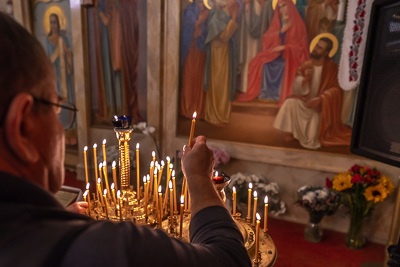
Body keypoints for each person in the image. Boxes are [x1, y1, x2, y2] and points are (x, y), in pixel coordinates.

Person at [0, 12, 251, 266]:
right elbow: (230, 259)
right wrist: (198, 178)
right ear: (22, 127)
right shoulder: (103, 251)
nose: (62, 127)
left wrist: (52, 224)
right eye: (57, 109)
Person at [273, 37, 351, 149]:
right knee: (289, 102)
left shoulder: (333, 68)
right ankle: (293, 132)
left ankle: (304, 135)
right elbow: (296, 89)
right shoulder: (306, 65)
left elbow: (337, 90)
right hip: (306, 101)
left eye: (320, 48)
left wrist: (320, 99)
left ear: (326, 52)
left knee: (311, 138)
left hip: (321, 107)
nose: (315, 49)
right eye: (316, 46)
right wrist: (305, 80)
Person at [236, 0, 308, 105]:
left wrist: (285, 47)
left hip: (290, 56)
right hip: (276, 54)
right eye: (280, 7)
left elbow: (302, 45)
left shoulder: (297, 22)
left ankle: (279, 95)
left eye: (284, 5)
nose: (283, 9)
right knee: (260, 63)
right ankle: (266, 94)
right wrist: (281, 31)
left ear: (290, 6)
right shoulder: (278, 20)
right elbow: (267, 37)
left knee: (281, 66)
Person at [203, 0, 239, 125]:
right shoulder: (215, 16)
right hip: (218, 55)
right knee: (219, 83)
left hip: (223, 53)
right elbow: (223, 36)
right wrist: (234, 18)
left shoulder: (221, 14)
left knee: (224, 83)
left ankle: (222, 114)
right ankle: (217, 115)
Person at [46, 13, 77, 146]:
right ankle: (61, 137)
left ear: (58, 24)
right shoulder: (48, 41)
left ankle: (72, 137)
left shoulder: (64, 40)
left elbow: (71, 62)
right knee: (57, 106)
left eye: (55, 22)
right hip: (55, 79)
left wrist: (67, 52)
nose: (53, 25)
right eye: (51, 22)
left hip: (65, 79)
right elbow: (47, 61)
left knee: (68, 104)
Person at [180, 0, 209, 119]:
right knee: (189, 76)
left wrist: (204, 19)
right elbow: (189, 26)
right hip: (191, 49)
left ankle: (199, 109)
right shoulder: (190, 10)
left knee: (200, 77)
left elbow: (210, 30)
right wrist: (200, 21)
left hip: (202, 51)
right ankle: (188, 108)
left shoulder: (209, 10)